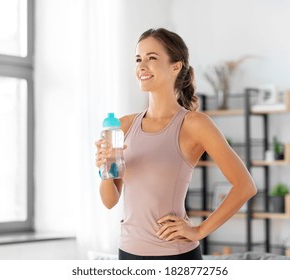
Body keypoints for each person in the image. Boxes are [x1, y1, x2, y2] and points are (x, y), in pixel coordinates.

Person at [94, 28, 257, 260]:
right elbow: (110, 201)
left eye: (152, 58)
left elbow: (245, 186)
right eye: (138, 59)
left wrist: (199, 230)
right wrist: (105, 170)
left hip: (175, 256)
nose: (142, 66)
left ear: (175, 66)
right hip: (128, 253)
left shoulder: (195, 124)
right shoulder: (123, 125)